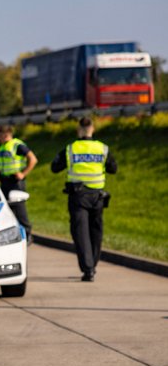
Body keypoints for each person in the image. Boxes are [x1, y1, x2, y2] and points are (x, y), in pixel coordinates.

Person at [50, 117, 117, 282]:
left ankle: (88, 269)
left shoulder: (71, 149)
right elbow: (113, 168)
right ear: (92, 129)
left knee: (80, 233)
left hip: (78, 196)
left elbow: (55, 167)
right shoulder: (102, 149)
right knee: (96, 231)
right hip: (98, 196)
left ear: (78, 130)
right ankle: (93, 263)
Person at [0, 125, 37, 242]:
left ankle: (28, 234)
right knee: (8, 211)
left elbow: (33, 159)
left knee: (20, 210)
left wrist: (23, 173)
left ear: (5, 134)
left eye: (0, 135)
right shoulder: (3, 147)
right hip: (5, 181)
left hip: (15, 182)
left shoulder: (17, 145)